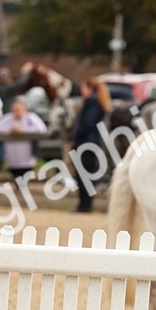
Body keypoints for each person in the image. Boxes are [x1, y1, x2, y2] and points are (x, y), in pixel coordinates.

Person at [69, 77, 111, 213]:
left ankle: (85, 204)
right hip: (90, 142)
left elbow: (87, 123)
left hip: (86, 142)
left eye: (83, 88)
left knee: (83, 175)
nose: (81, 91)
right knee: (85, 174)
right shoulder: (94, 103)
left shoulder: (92, 104)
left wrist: (76, 137)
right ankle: (84, 203)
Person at [0, 98, 47, 181]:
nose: (16, 112)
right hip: (12, 155)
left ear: (24, 109)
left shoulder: (31, 117)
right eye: (14, 110)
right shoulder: (8, 118)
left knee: (25, 174)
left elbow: (42, 129)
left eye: (18, 109)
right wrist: (10, 129)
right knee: (15, 174)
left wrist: (23, 130)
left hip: (26, 154)